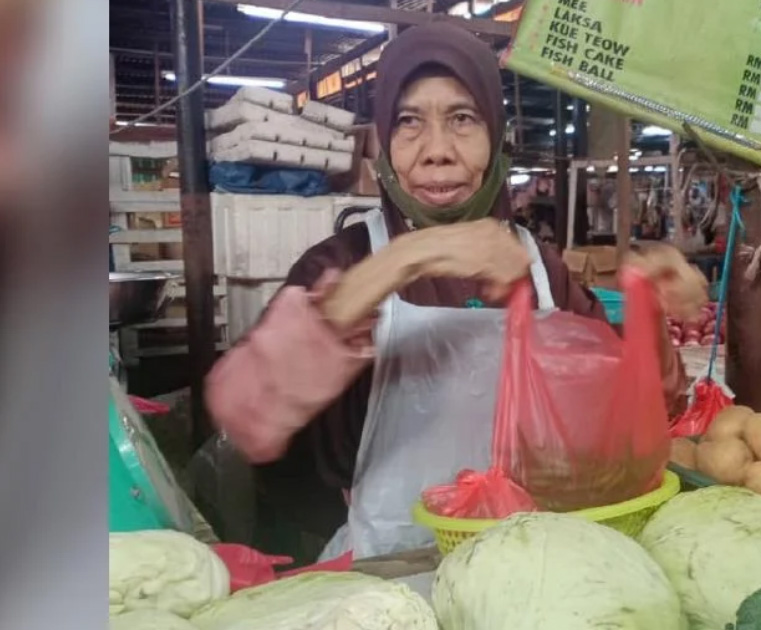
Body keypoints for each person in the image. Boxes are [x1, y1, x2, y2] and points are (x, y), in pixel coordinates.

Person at [205, 23, 706, 561]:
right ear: (384, 141)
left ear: (494, 134)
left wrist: (649, 309)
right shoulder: (345, 262)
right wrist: (403, 259)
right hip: (389, 571)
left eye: (462, 119)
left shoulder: (541, 271)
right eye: (409, 122)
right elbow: (243, 414)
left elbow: (629, 415)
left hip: (529, 563)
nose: (437, 150)